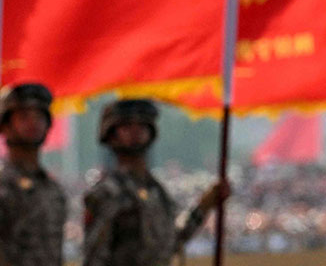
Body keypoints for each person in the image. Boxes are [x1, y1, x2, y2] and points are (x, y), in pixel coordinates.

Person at [82, 99, 229, 266]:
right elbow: (94, 258)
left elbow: (170, 242)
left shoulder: (156, 191)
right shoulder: (106, 193)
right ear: (111, 134)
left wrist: (204, 206)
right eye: (127, 127)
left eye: (142, 126)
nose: (136, 132)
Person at [0, 83, 66, 266]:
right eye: (24, 117)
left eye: (39, 117)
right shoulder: (3, 184)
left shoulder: (53, 190)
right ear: (5, 125)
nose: (33, 123)